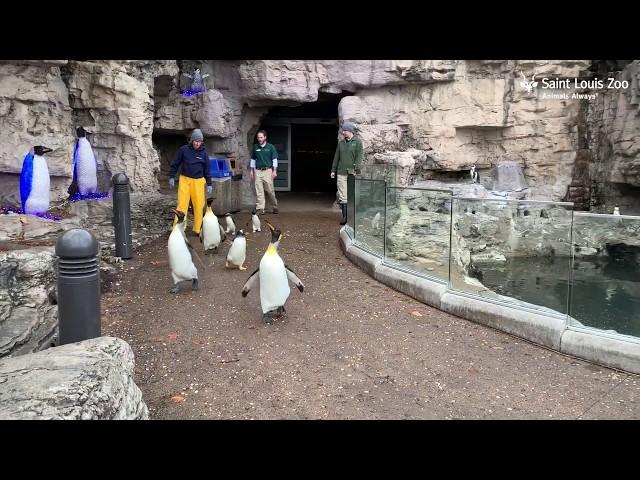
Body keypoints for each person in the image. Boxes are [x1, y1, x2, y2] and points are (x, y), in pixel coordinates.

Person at [168, 128, 213, 234]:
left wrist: (209, 183)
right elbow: (176, 163)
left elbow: (207, 169)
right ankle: (179, 227)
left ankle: (198, 228)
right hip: (185, 180)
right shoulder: (183, 150)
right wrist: (172, 176)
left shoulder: (204, 153)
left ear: (202, 142)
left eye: (199, 141)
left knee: (199, 205)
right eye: (196, 141)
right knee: (182, 204)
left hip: (198, 181)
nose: (197, 143)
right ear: (192, 140)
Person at [330, 122, 363, 225]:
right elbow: (336, 157)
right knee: (342, 195)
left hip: (352, 173)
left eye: (344, 130)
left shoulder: (357, 142)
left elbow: (359, 157)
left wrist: (356, 169)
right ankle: (344, 217)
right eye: (342, 130)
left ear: (350, 131)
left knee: (352, 194)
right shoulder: (341, 143)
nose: (342, 132)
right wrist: (333, 170)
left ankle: (352, 215)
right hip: (341, 172)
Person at [250, 130, 279, 215]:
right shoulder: (255, 147)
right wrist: (252, 171)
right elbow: (253, 159)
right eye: (258, 137)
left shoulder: (271, 147)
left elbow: (274, 160)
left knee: (269, 190)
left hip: (268, 171)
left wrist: (274, 171)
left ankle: (275, 206)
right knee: (259, 191)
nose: (259, 139)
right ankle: (260, 208)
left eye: (261, 137)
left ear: (265, 137)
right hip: (258, 171)